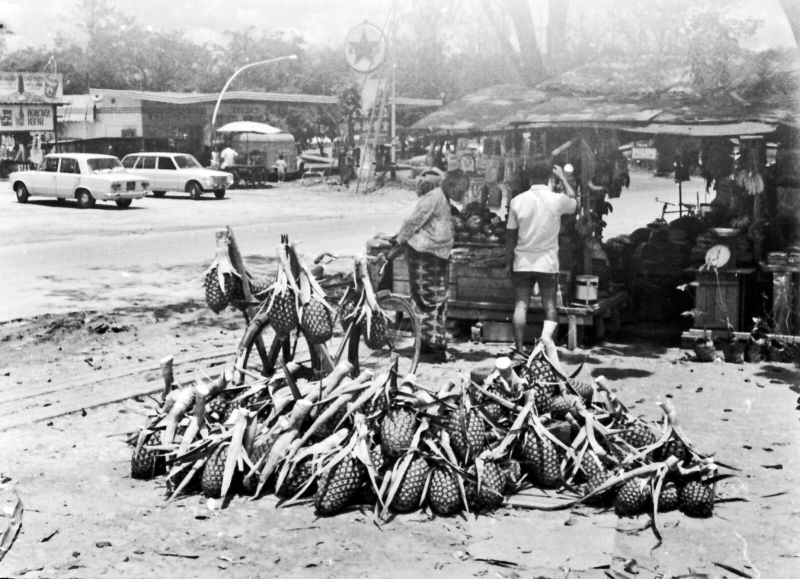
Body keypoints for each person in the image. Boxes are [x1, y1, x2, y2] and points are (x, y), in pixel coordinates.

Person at [505, 161, 577, 363]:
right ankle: (547, 348)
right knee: (550, 305)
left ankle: (519, 349)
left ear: (529, 178)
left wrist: (507, 261)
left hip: (523, 261)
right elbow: (574, 203)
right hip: (547, 262)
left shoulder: (517, 201)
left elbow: (510, 235)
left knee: (521, 305)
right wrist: (563, 178)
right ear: (549, 178)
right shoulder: (556, 199)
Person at [395, 170, 467, 362]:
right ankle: (429, 347)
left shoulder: (444, 199)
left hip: (436, 256)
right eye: (462, 189)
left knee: (436, 301)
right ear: (451, 185)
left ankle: (433, 344)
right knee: (427, 301)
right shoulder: (433, 198)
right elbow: (413, 222)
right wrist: (399, 241)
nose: (463, 194)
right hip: (423, 256)